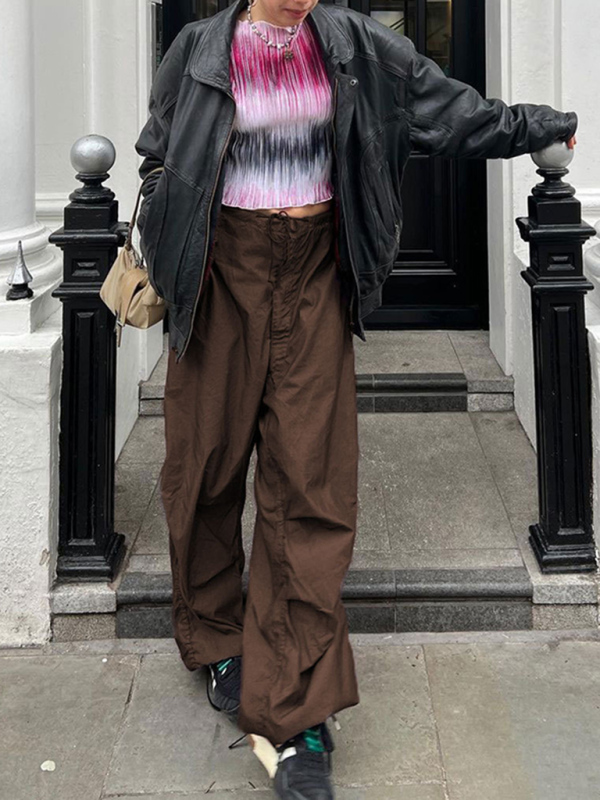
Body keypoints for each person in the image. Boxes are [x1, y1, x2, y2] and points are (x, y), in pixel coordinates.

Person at [134, 1, 577, 797]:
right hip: (219, 274)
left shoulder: (357, 45)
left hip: (312, 274)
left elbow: (449, 112)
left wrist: (540, 124)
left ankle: (297, 713)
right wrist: (168, 232)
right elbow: (159, 153)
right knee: (202, 470)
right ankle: (218, 640)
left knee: (311, 485)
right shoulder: (198, 48)